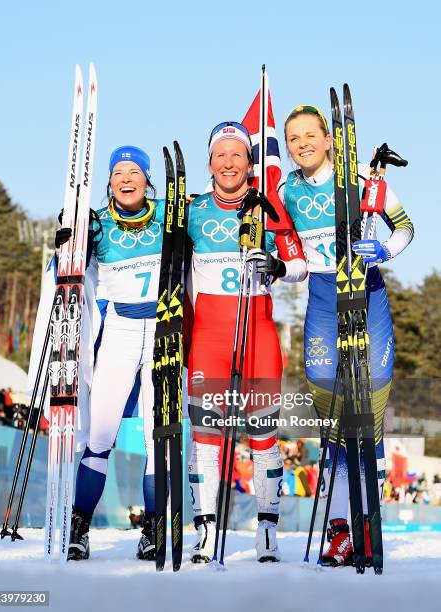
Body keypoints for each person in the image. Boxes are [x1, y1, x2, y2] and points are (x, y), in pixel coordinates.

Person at [281, 105, 414, 566]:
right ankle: (339, 529)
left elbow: (406, 226)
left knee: (369, 416)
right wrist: (283, 267)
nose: (302, 144)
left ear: (329, 138)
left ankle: (367, 525)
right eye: (293, 137)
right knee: (333, 420)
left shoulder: (360, 176)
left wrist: (383, 250)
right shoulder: (286, 191)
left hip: (367, 293)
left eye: (309, 135)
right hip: (322, 298)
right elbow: (294, 258)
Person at [186, 121, 307, 563]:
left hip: (257, 331)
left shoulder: (269, 210)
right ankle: (205, 530)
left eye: (238, 154)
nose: (230, 162)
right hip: (208, 335)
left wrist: (275, 266)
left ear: (250, 162)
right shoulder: (193, 211)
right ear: (211, 163)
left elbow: (299, 266)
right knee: (206, 437)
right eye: (221, 154)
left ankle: (267, 532)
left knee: (263, 435)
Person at [64, 145, 165, 561]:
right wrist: (70, 239)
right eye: (118, 171)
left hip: (163, 334)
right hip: (120, 332)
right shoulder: (100, 225)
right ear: (109, 180)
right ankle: (79, 526)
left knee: (158, 438)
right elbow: (71, 272)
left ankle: (154, 529)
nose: (126, 178)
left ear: (146, 178)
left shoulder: (168, 215)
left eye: (134, 171)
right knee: (100, 436)